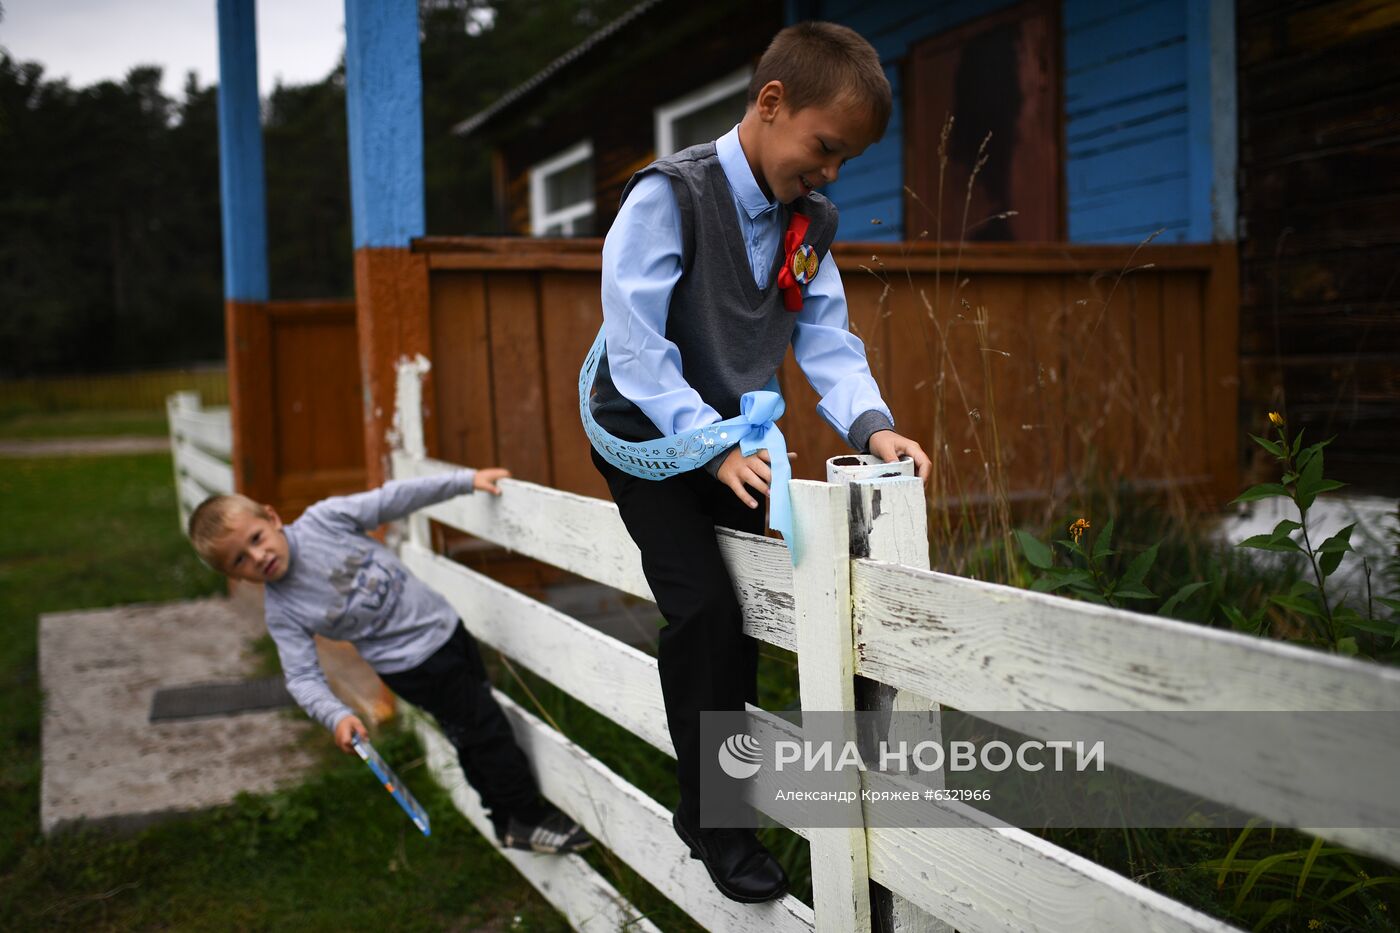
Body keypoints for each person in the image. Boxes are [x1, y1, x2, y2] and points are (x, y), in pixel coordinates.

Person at [584, 21, 931, 903]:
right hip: (648, 429)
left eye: (846, 159)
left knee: (799, 577)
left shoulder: (808, 220)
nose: (830, 171)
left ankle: (847, 791)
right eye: (825, 147)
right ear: (771, 104)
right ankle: (712, 816)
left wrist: (871, 424)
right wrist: (710, 445)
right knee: (703, 608)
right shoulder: (669, 195)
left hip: (733, 435)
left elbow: (823, 331)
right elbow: (638, 346)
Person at [187, 469, 591, 855]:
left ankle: (505, 817)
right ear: (235, 576)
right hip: (415, 668)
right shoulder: (283, 612)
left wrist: (465, 482)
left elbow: (392, 499)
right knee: (485, 728)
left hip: (447, 629)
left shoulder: (324, 521)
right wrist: (336, 715)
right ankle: (526, 815)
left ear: (272, 518)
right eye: (239, 560)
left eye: (257, 538)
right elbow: (302, 676)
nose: (258, 556)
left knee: (471, 730)